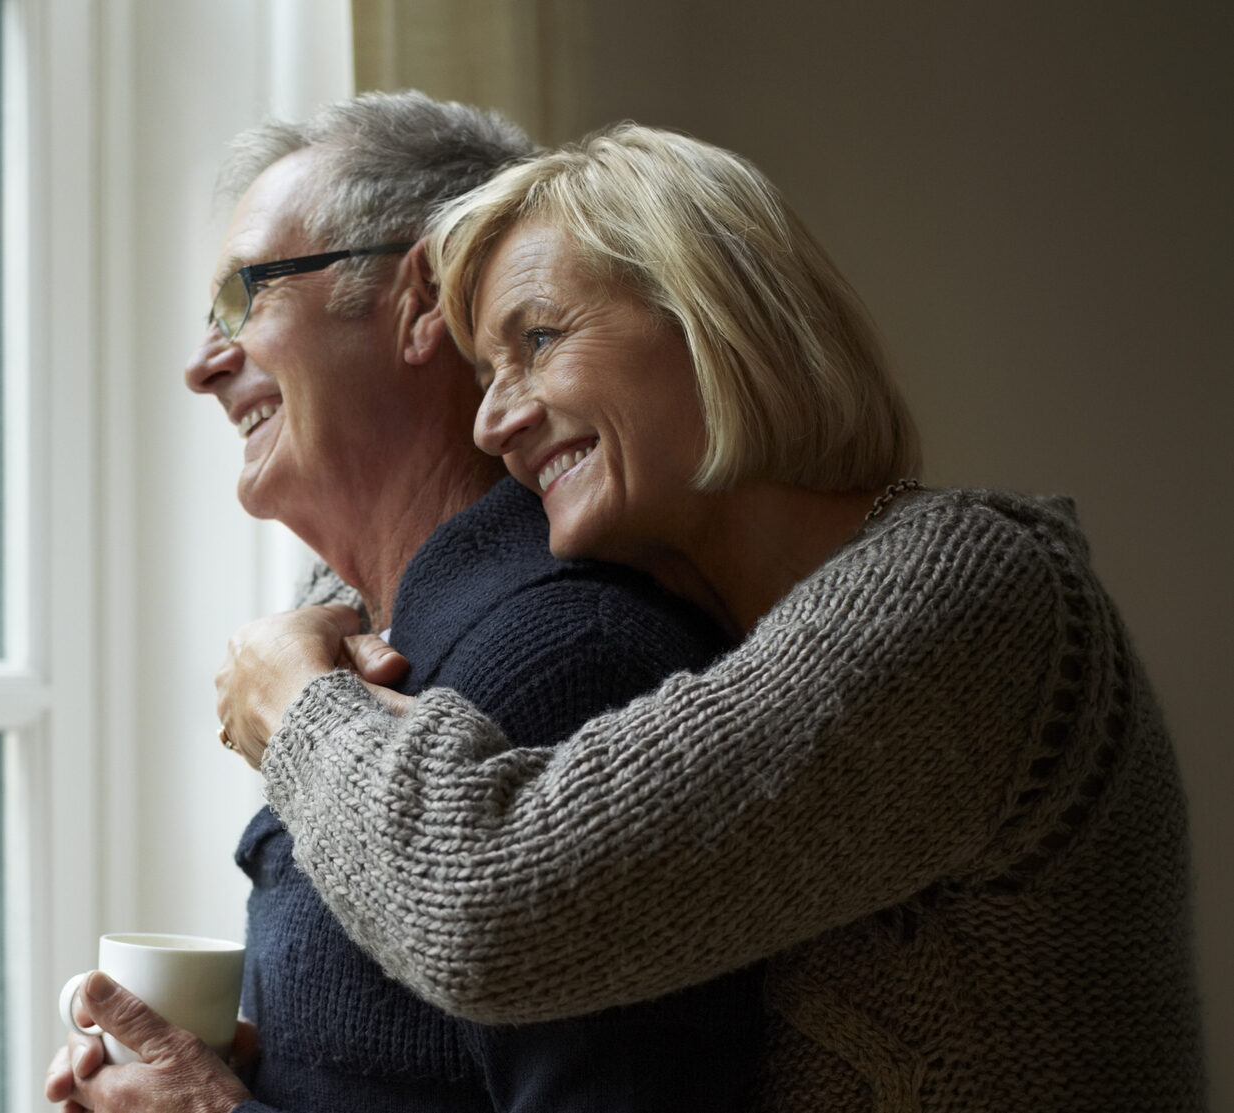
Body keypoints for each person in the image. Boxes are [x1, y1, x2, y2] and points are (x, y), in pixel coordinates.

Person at [212, 123, 1207, 1112]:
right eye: (485, 372)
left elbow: (492, 909)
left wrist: (295, 703)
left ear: (711, 318)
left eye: (541, 340)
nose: (493, 419)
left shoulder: (972, 596)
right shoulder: (749, 641)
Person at [46, 94, 763, 1113]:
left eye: (247, 299)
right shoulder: (380, 645)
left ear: (423, 298)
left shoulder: (568, 659)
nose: (203, 366)